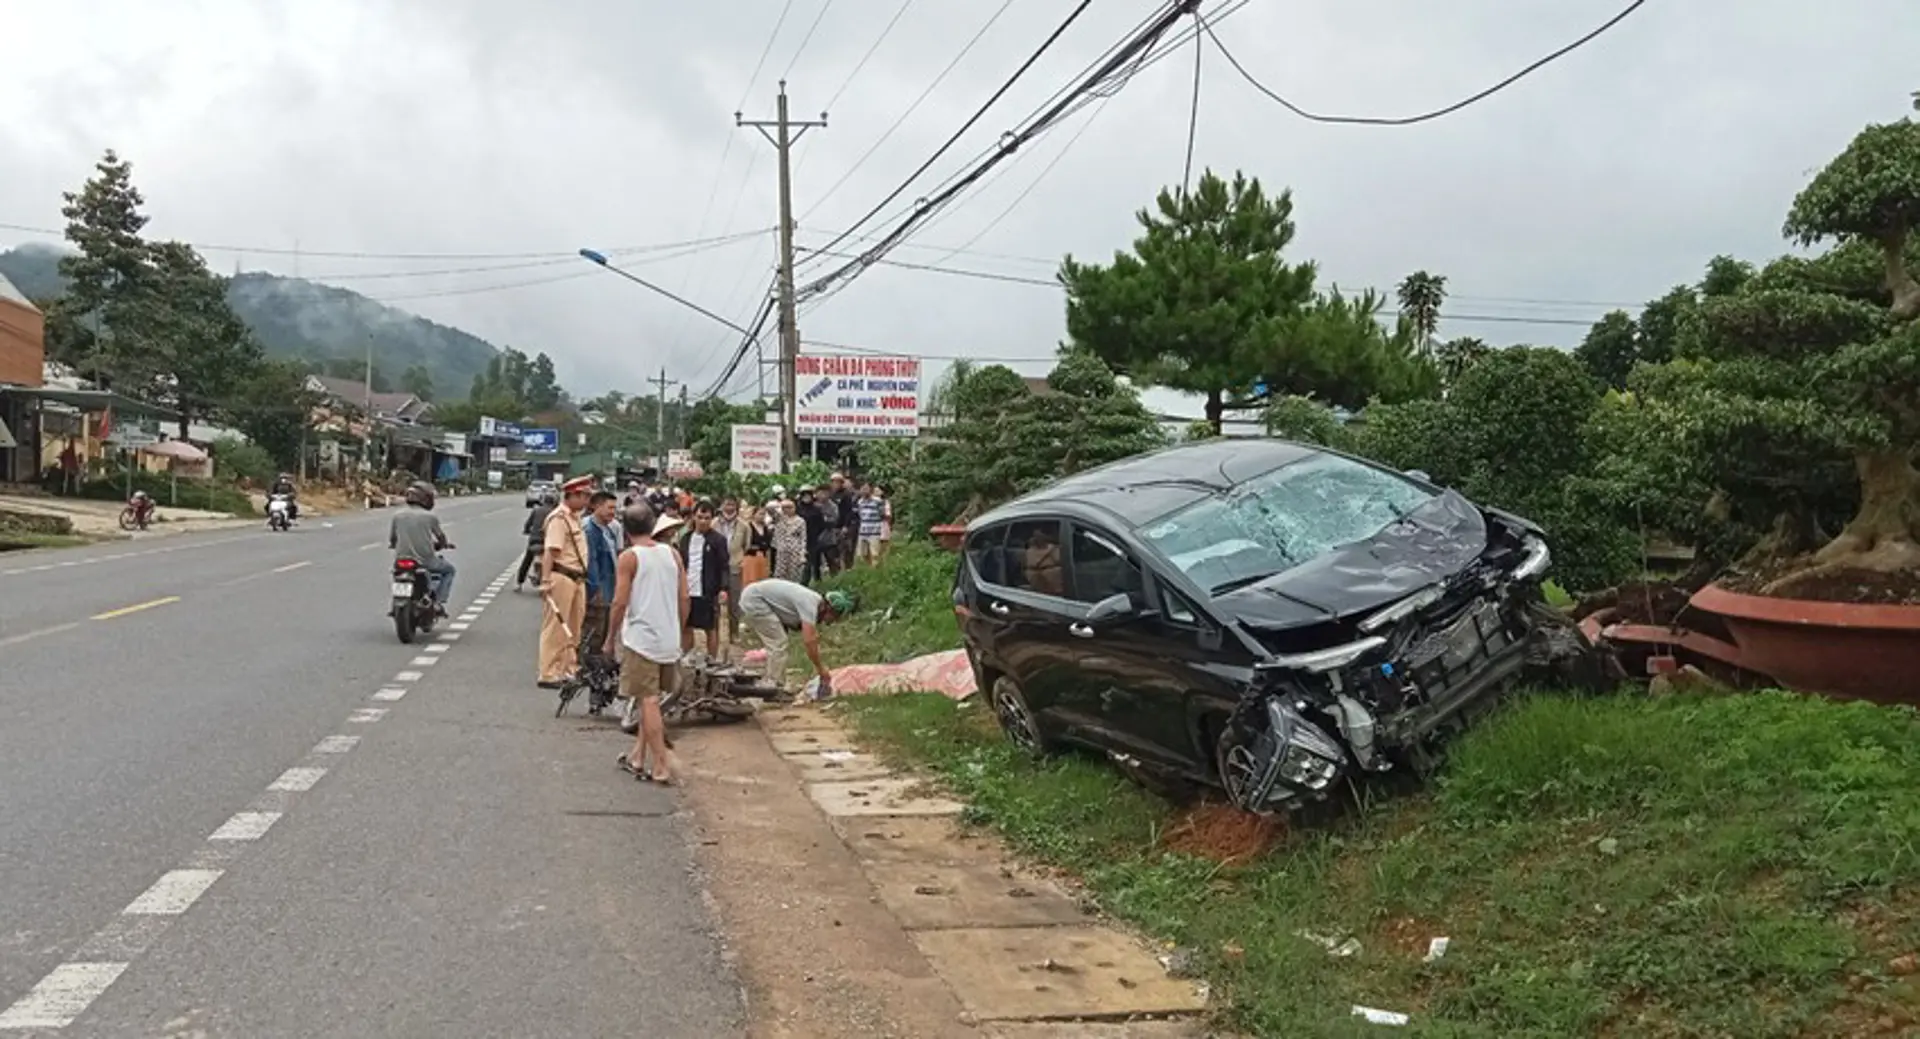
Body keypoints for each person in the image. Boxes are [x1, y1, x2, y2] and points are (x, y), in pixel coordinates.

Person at [605, 502, 687, 786]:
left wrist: (609, 636)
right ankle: (637, 756)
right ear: (653, 526)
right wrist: (678, 629)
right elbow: (684, 598)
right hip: (668, 638)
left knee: (648, 700)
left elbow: (619, 602)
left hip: (642, 640)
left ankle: (661, 764)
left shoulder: (629, 557)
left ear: (625, 530)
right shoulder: (672, 554)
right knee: (647, 698)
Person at [737, 578, 851, 695]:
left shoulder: (813, 600)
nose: (831, 622)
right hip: (755, 599)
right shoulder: (810, 604)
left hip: (757, 596)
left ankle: (774, 683)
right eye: (834, 617)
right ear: (829, 609)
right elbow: (809, 641)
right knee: (778, 643)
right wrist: (821, 669)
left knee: (777, 643)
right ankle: (772, 687)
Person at [536, 474, 595, 690]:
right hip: (561, 576)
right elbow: (551, 552)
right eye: (585, 496)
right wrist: (545, 580)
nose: (587, 501)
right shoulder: (558, 519)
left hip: (577, 578)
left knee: (573, 627)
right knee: (556, 626)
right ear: (573, 495)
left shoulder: (574, 517)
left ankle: (568, 669)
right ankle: (548, 672)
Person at [389, 481, 455, 612]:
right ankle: (438, 601)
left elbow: (393, 539)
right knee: (449, 570)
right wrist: (443, 544)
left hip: (401, 560)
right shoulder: (430, 516)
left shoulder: (397, 515)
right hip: (425, 561)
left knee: (396, 573)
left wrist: (393, 545)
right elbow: (440, 537)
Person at [678, 500, 730, 661]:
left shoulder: (718, 540)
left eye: (707, 518)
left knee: (710, 627)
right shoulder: (685, 538)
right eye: (700, 517)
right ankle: (685, 657)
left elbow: (724, 566)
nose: (703, 521)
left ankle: (712, 659)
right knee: (686, 625)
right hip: (687, 588)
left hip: (707, 589)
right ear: (693, 517)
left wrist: (723, 588)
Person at [581, 489, 621, 660]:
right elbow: (591, 563)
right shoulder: (590, 531)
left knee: (604, 629)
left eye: (614, 509)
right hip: (598, 591)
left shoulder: (608, 529)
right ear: (597, 506)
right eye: (609, 508)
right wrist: (595, 589)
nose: (613, 512)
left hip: (609, 588)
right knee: (594, 633)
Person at [715, 497, 749, 640]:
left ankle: (734, 633)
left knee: (735, 602)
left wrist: (739, 558)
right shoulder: (714, 524)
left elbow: (746, 545)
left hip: (735, 565)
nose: (729, 507)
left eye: (732, 504)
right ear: (722, 506)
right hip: (717, 567)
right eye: (727, 504)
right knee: (716, 603)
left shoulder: (743, 526)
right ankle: (715, 634)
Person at [516, 489, 556, 590]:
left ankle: (519, 582)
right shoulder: (554, 513)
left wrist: (526, 530)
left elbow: (528, 524)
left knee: (527, 561)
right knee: (554, 562)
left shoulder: (536, 510)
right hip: (548, 542)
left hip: (534, 540)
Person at [771, 497, 808, 583]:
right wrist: (782, 504)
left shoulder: (800, 521)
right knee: (780, 576)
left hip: (795, 551)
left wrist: (802, 554)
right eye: (786, 507)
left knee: (794, 576)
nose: (788, 509)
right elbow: (770, 507)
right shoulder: (779, 518)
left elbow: (803, 538)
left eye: (790, 507)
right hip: (781, 551)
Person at [832, 473, 861, 571]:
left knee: (847, 548)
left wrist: (846, 525)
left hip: (845, 526)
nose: (835, 484)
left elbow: (849, 511)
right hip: (834, 526)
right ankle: (836, 569)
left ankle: (849, 568)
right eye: (833, 482)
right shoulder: (831, 495)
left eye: (837, 482)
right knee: (834, 549)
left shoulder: (846, 495)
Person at [855, 483, 885, 566]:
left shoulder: (877, 501)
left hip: (874, 531)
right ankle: (867, 569)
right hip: (863, 531)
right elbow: (860, 515)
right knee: (862, 554)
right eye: (862, 489)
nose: (864, 491)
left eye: (866, 489)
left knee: (875, 554)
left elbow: (882, 514)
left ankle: (875, 570)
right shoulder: (860, 502)